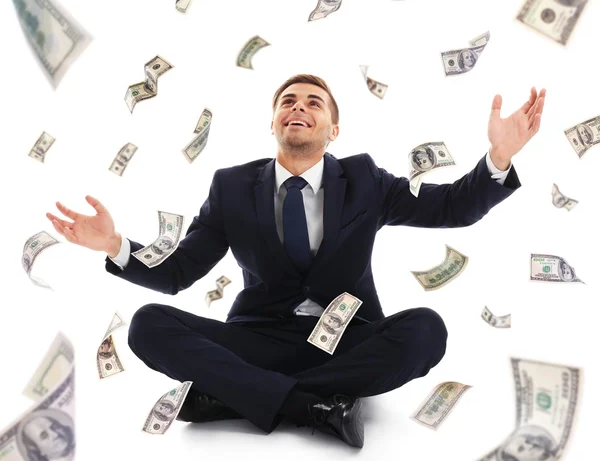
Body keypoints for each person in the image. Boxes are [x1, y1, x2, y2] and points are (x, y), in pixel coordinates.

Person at [46, 74, 546, 448]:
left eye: (314, 103)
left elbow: (452, 207)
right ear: (273, 123)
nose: (298, 108)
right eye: (287, 101)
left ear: (333, 128)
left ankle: (232, 396)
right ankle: (315, 406)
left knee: (426, 330)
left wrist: (497, 159)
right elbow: (180, 272)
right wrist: (115, 246)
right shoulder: (232, 187)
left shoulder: (366, 179)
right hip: (257, 339)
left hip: (348, 343)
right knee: (148, 326)